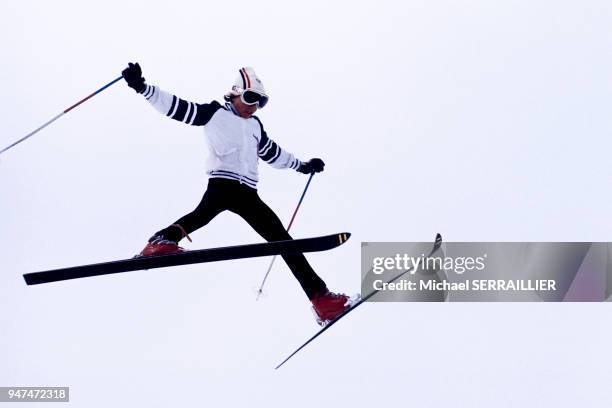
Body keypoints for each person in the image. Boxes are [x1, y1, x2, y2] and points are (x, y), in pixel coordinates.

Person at [121, 63, 357, 325]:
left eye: (260, 102)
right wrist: (143, 88)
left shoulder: (255, 126)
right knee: (202, 215)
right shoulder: (214, 113)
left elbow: (273, 153)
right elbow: (177, 107)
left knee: (284, 242)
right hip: (223, 184)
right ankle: (159, 242)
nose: (253, 106)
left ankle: (322, 300)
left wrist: (303, 166)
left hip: (249, 193)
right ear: (234, 94)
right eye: (249, 98)